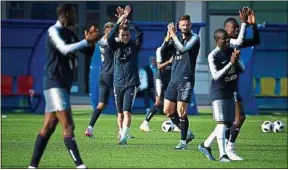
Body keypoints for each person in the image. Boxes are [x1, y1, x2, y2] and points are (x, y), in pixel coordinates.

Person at [28, 4, 99, 169]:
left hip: (63, 84)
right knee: (69, 126)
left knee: (48, 128)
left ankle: (32, 166)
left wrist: (91, 42)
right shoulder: (53, 31)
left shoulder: (70, 33)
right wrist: (85, 41)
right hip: (55, 83)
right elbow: (64, 49)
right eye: (73, 14)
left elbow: (87, 52)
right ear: (65, 14)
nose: (76, 17)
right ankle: (80, 166)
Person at [198, 29, 245, 162]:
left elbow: (243, 69)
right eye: (223, 38)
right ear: (217, 41)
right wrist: (231, 63)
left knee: (228, 124)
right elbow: (216, 76)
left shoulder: (232, 50)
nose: (227, 40)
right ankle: (223, 155)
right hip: (218, 91)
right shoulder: (213, 55)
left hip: (230, 91)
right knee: (222, 123)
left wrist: (236, 61)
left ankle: (205, 145)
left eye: (227, 38)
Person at [224, 7, 260, 160]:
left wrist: (253, 25)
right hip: (226, 85)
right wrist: (245, 22)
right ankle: (229, 150)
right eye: (234, 28)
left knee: (229, 121)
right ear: (226, 31)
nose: (237, 29)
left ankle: (220, 147)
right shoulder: (227, 42)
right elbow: (239, 41)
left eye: (238, 27)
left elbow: (255, 41)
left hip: (233, 85)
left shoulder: (236, 42)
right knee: (239, 118)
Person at [107, 5, 143, 145]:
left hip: (131, 83)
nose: (126, 37)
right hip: (117, 83)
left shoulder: (134, 45)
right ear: (119, 36)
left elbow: (139, 33)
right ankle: (121, 131)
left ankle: (124, 137)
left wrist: (128, 22)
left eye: (127, 35)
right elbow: (110, 36)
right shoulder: (115, 46)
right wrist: (120, 21)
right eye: (123, 35)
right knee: (120, 113)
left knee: (127, 112)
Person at [163, 15, 199, 150]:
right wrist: (168, 37)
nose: (185, 27)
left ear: (190, 25)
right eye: (183, 25)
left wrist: (173, 35)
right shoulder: (175, 38)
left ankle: (183, 142)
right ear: (179, 26)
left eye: (187, 24)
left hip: (186, 79)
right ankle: (188, 133)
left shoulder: (195, 38)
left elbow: (183, 49)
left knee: (181, 111)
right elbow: (163, 52)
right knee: (167, 110)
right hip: (174, 79)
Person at [85, 22, 115, 138]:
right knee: (121, 105)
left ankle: (90, 128)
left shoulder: (101, 41)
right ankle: (122, 132)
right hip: (111, 75)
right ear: (107, 30)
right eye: (111, 30)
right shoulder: (110, 42)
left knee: (101, 105)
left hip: (103, 75)